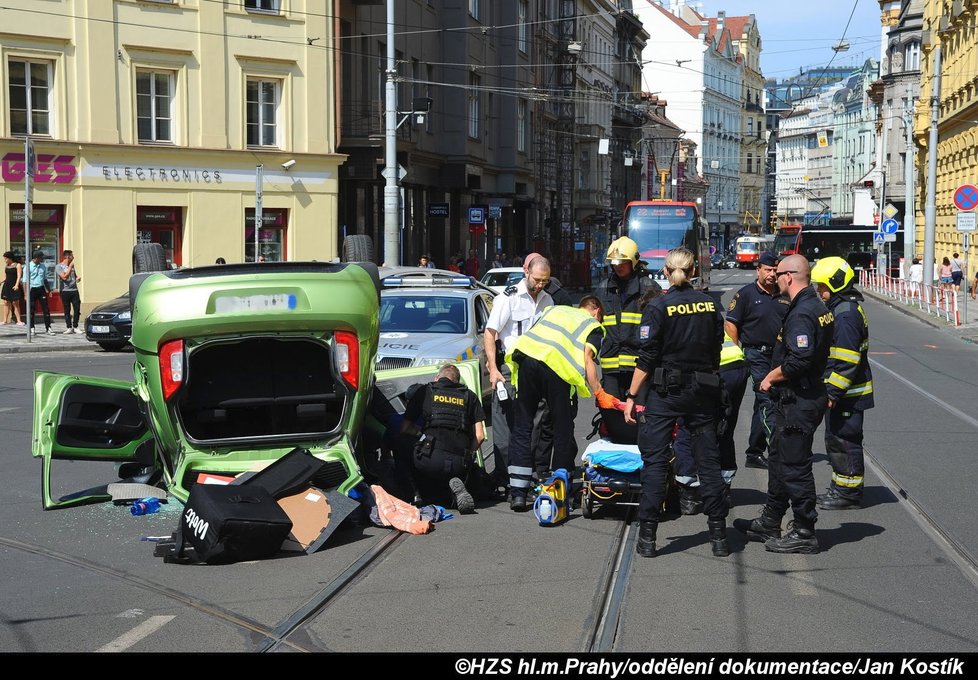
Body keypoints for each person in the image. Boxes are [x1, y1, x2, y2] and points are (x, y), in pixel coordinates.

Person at [623, 248, 728, 558]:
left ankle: (647, 539)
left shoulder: (658, 307)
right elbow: (716, 348)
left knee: (655, 463)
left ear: (666, 273)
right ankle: (719, 536)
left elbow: (647, 358)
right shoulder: (710, 305)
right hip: (702, 392)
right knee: (708, 463)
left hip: (665, 395)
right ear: (693, 271)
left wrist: (631, 396)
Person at [735, 255, 833, 554]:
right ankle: (770, 519)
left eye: (778, 274)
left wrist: (770, 377)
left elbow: (800, 359)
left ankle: (804, 530)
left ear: (789, 277)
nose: (774, 278)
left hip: (798, 399)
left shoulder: (803, 311)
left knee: (794, 466)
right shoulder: (814, 305)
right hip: (797, 397)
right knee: (778, 458)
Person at [505, 297, 606, 511]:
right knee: (563, 429)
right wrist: (599, 392)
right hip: (556, 369)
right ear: (597, 312)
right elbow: (588, 359)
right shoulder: (593, 326)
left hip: (527, 360)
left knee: (523, 427)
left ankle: (518, 494)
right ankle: (560, 490)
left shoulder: (553, 309)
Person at [484, 255, 553, 499]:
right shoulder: (509, 298)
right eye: (537, 280)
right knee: (504, 427)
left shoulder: (548, 300)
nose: (541, 285)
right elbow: (490, 333)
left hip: (537, 372)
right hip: (510, 370)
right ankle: (504, 476)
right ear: (527, 273)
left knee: (533, 427)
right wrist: (493, 369)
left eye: (545, 281)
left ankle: (526, 478)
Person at [810, 257, 874, 510]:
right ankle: (841, 488)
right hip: (846, 391)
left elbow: (847, 360)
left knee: (845, 442)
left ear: (835, 284)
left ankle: (848, 494)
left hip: (847, 393)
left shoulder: (845, 315)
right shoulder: (843, 308)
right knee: (836, 441)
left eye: (822, 286)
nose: (818, 291)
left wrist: (833, 391)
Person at [724, 251, 789, 470]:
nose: (772, 274)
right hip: (754, 354)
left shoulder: (784, 294)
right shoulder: (745, 295)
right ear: (758, 270)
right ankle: (777, 452)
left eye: (775, 271)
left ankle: (754, 452)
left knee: (764, 403)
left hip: (777, 356)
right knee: (767, 399)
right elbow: (731, 324)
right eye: (768, 270)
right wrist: (737, 352)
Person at [596, 236, 661, 443]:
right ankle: (617, 448)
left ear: (633, 261)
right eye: (614, 263)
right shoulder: (603, 288)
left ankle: (643, 451)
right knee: (611, 411)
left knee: (640, 412)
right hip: (611, 365)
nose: (617, 267)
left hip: (638, 363)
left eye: (622, 262)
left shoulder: (649, 288)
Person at [399, 364, 485, 514]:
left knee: (401, 444)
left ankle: (415, 494)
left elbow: (405, 428)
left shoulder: (425, 392)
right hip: (459, 462)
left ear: (437, 378)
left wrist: (422, 435)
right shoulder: (469, 396)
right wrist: (469, 456)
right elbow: (480, 436)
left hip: (428, 459)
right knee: (451, 476)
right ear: (457, 382)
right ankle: (453, 490)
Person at [26, 250, 53, 335]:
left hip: (41, 289)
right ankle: (32, 328)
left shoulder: (43, 266)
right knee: (31, 309)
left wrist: (49, 290)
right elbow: (24, 281)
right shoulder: (28, 267)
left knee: (46, 309)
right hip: (32, 289)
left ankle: (48, 328)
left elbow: (45, 279)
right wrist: (25, 294)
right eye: (41, 258)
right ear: (36, 258)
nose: (42, 259)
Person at [55, 250, 81, 334]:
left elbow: (74, 276)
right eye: (72, 256)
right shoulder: (59, 266)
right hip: (65, 291)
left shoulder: (72, 266)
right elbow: (64, 277)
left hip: (74, 290)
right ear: (67, 257)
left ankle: (76, 326)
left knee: (77, 308)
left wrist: (77, 278)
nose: (73, 257)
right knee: (67, 309)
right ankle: (69, 327)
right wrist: (70, 267)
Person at [2, 251, 25, 326]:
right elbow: (5, 277)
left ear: (10, 258)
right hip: (7, 286)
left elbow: (19, 276)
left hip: (14, 285)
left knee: (15, 303)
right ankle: (5, 320)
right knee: (6, 302)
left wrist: (16, 285)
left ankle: (19, 320)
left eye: (6, 258)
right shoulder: (7, 266)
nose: (5, 260)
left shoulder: (17, 265)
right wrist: (1, 281)